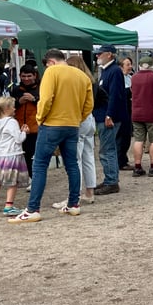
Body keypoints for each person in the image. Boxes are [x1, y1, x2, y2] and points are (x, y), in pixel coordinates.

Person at [8, 49, 94, 223]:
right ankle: (73, 204)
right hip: (72, 125)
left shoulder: (51, 72)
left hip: (52, 124)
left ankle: (32, 209)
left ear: (50, 62)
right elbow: (89, 104)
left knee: (39, 164)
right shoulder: (82, 76)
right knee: (72, 164)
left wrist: (40, 118)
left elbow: (45, 99)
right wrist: (77, 117)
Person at [49, 55, 99, 208]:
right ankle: (89, 192)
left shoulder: (72, 81)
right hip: (89, 119)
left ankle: (74, 197)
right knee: (88, 157)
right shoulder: (88, 80)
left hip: (77, 119)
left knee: (74, 159)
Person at [93, 44, 128, 196]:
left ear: (109, 54)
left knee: (107, 150)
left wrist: (109, 115)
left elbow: (115, 95)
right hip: (104, 114)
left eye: (100, 53)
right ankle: (110, 179)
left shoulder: (113, 71)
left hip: (108, 116)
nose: (97, 56)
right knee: (108, 149)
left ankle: (111, 181)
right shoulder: (107, 71)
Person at [11, 64, 39, 178]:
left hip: (36, 127)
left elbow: (47, 105)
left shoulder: (41, 88)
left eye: (29, 76)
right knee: (24, 154)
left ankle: (34, 178)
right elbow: (9, 107)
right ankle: (27, 176)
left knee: (35, 155)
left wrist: (34, 100)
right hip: (20, 128)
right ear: (19, 76)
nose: (26, 79)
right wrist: (18, 102)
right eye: (23, 76)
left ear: (34, 75)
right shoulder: (16, 89)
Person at [117, 57, 134, 170]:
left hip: (130, 109)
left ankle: (123, 159)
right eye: (127, 64)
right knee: (122, 136)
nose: (130, 66)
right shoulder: (119, 78)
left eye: (130, 64)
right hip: (122, 109)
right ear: (121, 66)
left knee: (127, 136)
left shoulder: (130, 77)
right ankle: (120, 161)